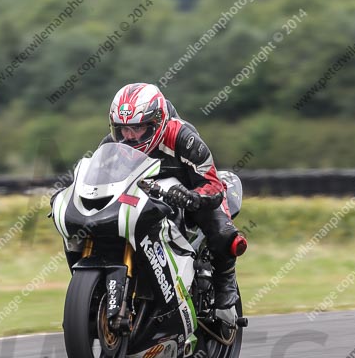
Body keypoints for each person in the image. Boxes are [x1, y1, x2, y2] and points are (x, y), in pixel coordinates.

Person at [104, 82, 247, 312]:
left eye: (138, 128)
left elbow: (212, 183)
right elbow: (96, 175)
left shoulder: (182, 137)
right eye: (123, 128)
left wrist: (193, 197)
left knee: (224, 233)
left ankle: (225, 281)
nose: (129, 136)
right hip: (142, 199)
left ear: (156, 123)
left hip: (190, 192)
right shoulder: (114, 143)